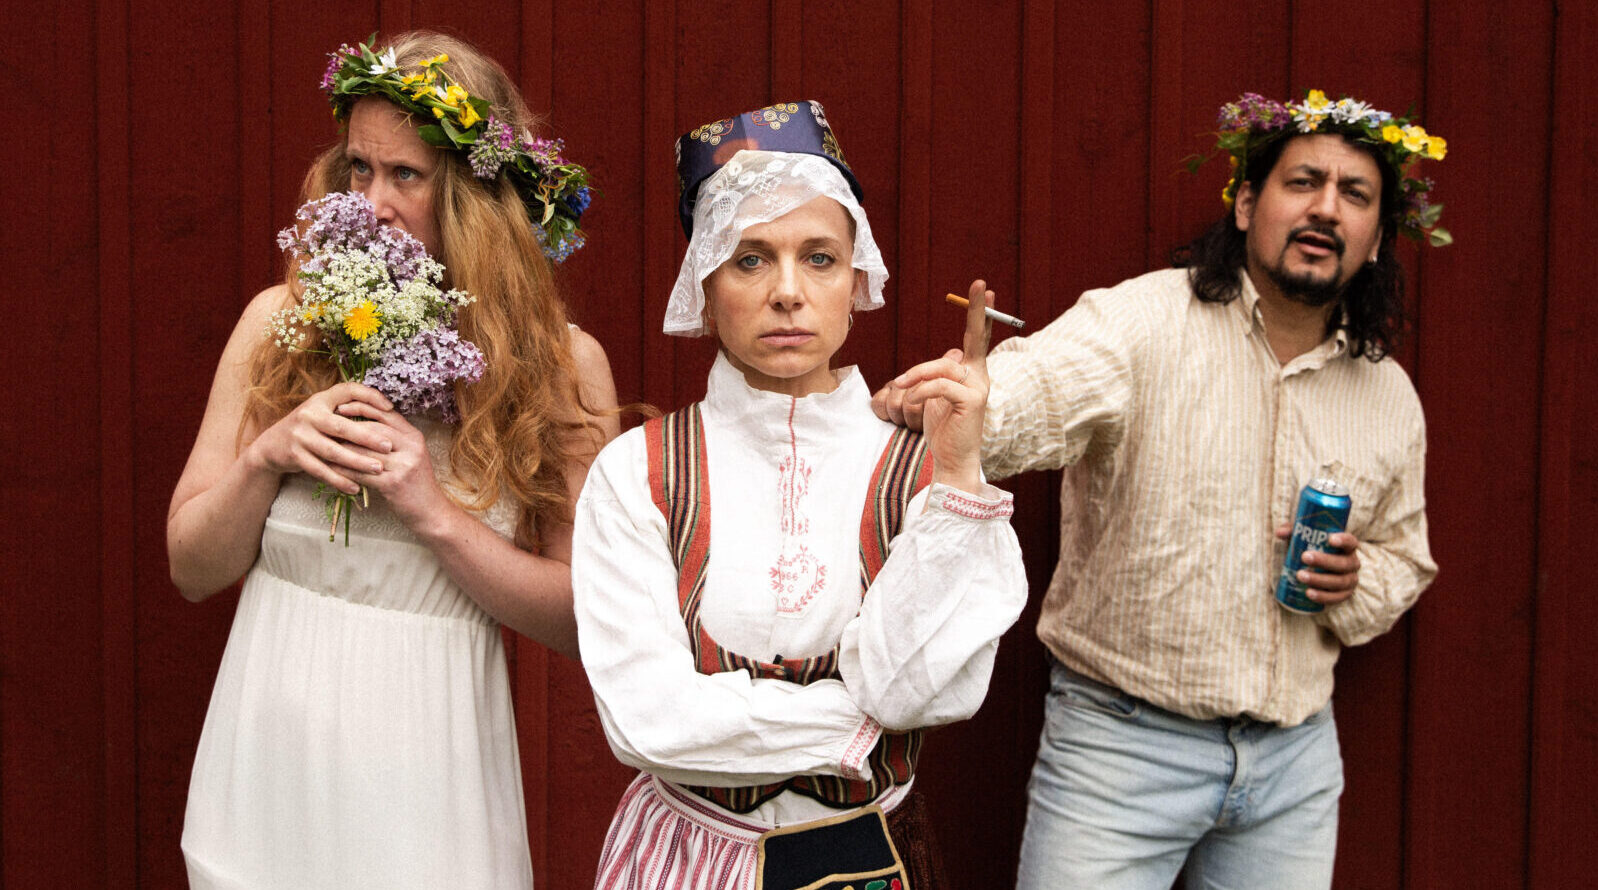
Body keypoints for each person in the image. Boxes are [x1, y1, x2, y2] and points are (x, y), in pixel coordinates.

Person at [875, 90, 1443, 889]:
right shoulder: (1141, 323)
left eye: (1354, 196)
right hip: (1120, 746)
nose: (1325, 209)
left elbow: (1404, 560)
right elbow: (1036, 390)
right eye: (1302, 182)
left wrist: (1357, 581)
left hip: (1295, 764)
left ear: (1377, 239)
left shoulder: (1386, 396)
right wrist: (968, 404)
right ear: (1247, 204)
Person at [169, 32, 619, 888]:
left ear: (475, 197)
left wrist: (434, 514)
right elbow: (191, 565)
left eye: (404, 176)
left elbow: (581, 618)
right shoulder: (282, 324)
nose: (370, 203)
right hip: (265, 759)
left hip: (429, 773)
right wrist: (267, 455)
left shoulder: (559, 365)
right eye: (357, 169)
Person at [571, 102, 1027, 889]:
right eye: (750, 259)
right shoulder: (635, 471)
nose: (788, 291)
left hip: (869, 857)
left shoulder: (922, 471)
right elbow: (647, 722)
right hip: (688, 856)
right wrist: (858, 724)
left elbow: (914, 688)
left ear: (858, 282)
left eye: (818, 258)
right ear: (704, 287)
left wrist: (957, 476)